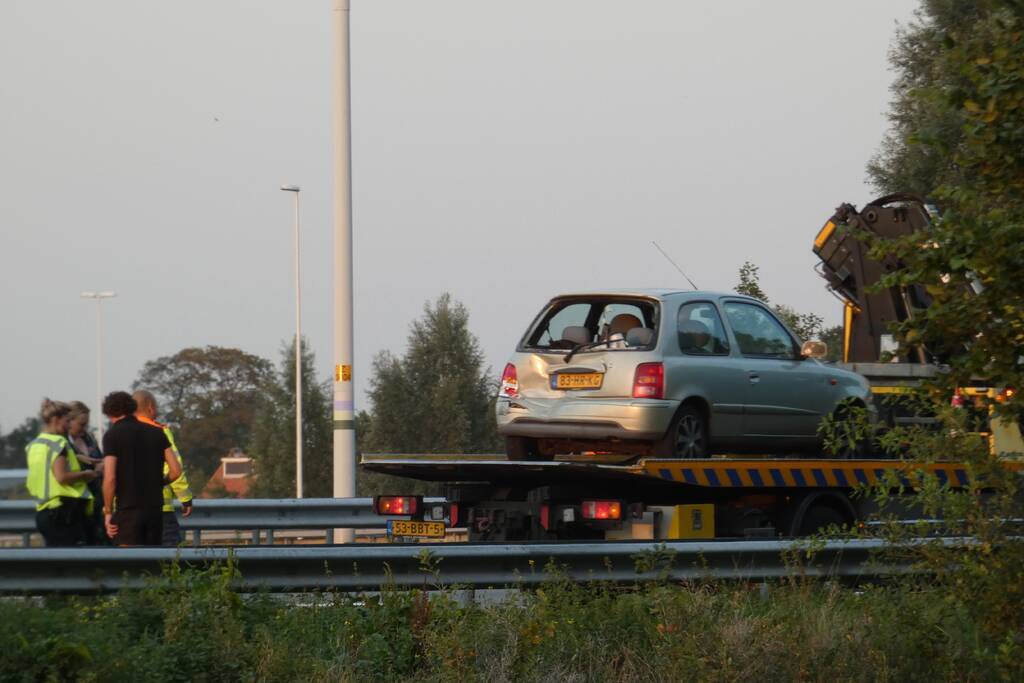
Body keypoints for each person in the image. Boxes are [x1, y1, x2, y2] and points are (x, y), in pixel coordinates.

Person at [100, 391, 181, 546]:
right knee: (153, 564)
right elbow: (176, 470)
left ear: (109, 412)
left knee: (129, 565)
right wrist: (159, 482)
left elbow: (110, 479)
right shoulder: (157, 432)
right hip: (155, 510)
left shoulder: (112, 435)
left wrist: (108, 512)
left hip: (128, 509)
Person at [24, 399, 97, 546]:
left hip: (43, 510)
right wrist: (87, 475)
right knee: (73, 563)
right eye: (67, 421)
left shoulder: (35, 444)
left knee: (56, 561)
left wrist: (76, 457)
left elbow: (47, 467)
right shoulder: (59, 443)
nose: (69, 425)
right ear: (56, 419)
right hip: (62, 512)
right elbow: (62, 477)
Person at [132, 390, 193, 546]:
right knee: (171, 558)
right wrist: (185, 498)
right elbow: (173, 467)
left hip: (129, 510)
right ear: (151, 408)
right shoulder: (160, 431)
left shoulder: (120, 432)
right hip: (160, 508)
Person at [66, 401, 109, 545]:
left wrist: (102, 465)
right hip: (77, 503)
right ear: (69, 421)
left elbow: (100, 458)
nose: (84, 429)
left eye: (86, 424)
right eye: (81, 424)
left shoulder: (88, 438)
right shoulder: (63, 443)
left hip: (97, 499)